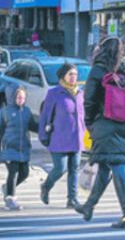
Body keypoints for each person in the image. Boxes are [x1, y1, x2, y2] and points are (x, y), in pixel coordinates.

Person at [75, 36, 125, 229]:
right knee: (104, 167)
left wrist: (90, 124)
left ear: (102, 51)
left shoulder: (98, 71)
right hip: (124, 124)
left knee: (117, 168)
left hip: (105, 124)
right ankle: (89, 206)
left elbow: (90, 101)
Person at [0, 87, 38, 211]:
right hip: (9, 148)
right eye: (19, 97)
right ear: (13, 98)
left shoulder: (27, 112)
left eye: (23, 98)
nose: (21, 100)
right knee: (13, 172)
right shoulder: (4, 112)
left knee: (24, 173)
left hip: (23, 148)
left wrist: (46, 130)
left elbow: (33, 126)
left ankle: (7, 188)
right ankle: (10, 198)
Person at [39, 62, 85, 209]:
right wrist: (43, 136)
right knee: (60, 168)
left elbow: (83, 116)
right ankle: (46, 186)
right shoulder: (54, 93)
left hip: (76, 138)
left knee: (74, 169)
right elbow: (45, 115)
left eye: (75, 75)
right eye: (70, 74)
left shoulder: (80, 93)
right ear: (64, 75)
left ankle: (72, 199)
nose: (73, 77)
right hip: (59, 138)